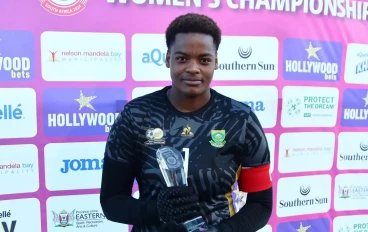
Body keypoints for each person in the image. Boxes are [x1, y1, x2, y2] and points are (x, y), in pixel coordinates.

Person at [100, 13, 273, 232]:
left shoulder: (241, 119)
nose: (193, 68)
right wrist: (157, 211)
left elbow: (261, 203)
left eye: (204, 59)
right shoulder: (136, 115)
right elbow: (112, 201)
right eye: (182, 58)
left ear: (216, 62)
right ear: (167, 59)